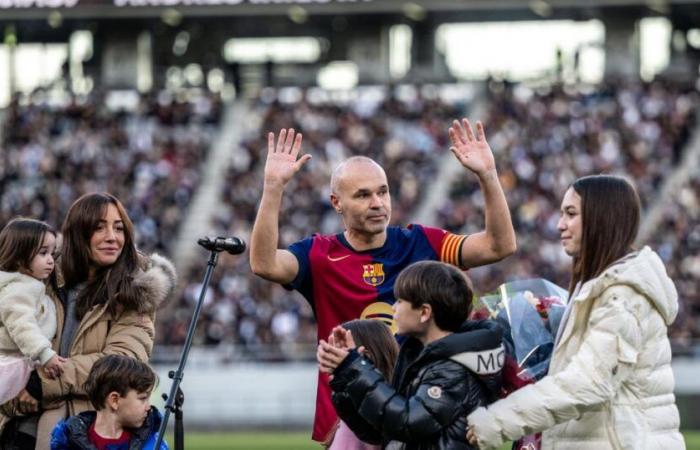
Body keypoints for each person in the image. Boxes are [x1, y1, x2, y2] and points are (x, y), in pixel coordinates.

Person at [250, 120, 517, 441]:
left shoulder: (421, 243)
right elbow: (264, 263)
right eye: (363, 195)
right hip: (347, 417)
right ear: (337, 203)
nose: (377, 203)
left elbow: (498, 246)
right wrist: (273, 188)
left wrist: (488, 176)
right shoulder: (319, 255)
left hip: (417, 409)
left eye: (383, 191)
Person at [466, 175, 685, 450]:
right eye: (561, 214)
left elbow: (586, 384)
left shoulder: (623, 297)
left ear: (601, 219)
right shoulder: (600, 287)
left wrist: (496, 421)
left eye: (570, 214)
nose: (559, 225)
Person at [0, 193, 177, 450]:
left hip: (86, 436)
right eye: (98, 227)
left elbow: (121, 365)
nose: (111, 237)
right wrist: (14, 392)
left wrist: (38, 384)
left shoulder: (136, 293)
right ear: (77, 233)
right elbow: (6, 349)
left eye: (119, 228)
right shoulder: (38, 279)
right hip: (17, 429)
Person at [317, 261, 504, 450]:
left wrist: (357, 370)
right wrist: (345, 377)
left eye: (399, 301)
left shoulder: (451, 369)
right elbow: (381, 432)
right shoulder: (423, 359)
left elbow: (406, 422)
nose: (393, 308)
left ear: (424, 312)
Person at [0, 219, 67, 404]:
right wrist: (45, 354)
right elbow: (23, 326)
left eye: (52, 253)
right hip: (11, 366)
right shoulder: (17, 289)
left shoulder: (30, 285)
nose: (51, 260)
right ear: (20, 256)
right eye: (43, 253)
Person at [50, 354, 168, 450]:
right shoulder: (68, 441)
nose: (149, 407)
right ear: (114, 400)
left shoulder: (152, 441)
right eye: (143, 398)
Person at [324, 319, 399, 450]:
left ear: (365, 357)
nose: (329, 364)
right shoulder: (350, 405)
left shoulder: (375, 412)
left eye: (338, 354)